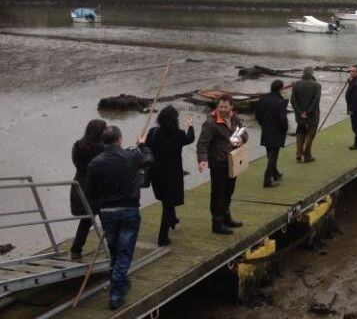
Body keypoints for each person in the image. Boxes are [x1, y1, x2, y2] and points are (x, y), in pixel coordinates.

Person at [87, 126, 147, 310]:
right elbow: (148, 160)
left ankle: (120, 282)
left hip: (107, 212)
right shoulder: (131, 156)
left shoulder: (95, 163)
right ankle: (115, 294)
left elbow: (91, 191)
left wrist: (100, 207)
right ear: (120, 139)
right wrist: (142, 146)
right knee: (124, 253)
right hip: (129, 210)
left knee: (114, 251)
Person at [197, 95, 249, 235]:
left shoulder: (235, 119)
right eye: (221, 107)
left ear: (231, 107)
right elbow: (202, 143)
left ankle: (227, 217)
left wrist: (241, 139)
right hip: (218, 164)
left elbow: (245, 134)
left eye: (226, 107)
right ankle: (217, 223)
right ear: (217, 107)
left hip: (233, 162)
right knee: (218, 194)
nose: (223, 109)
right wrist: (202, 160)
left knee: (229, 192)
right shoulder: (210, 123)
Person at [147, 105, 195, 246]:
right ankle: (162, 237)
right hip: (172, 173)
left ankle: (173, 220)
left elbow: (146, 147)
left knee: (165, 200)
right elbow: (190, 138)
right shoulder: (178, 134)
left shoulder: (153, 132)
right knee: (168, 204)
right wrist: (190, 125)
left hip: (156, 173)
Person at [70, 119, 106, 260]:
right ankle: (112, 247)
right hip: (96, 186)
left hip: (80, 184)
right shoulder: (102, 148)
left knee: (86, 220)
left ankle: (76, 249)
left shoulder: (78, 145)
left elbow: (76, 164)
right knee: (105, 217)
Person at [256, 80, 289, 187]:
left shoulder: (263, 99)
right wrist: (285, 129)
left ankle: (275, 174)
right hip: (277, 131)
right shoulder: (280, 102)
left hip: (266, 130)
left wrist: (263, 124)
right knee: (273, 156)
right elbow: (283, 119)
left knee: (270, 153)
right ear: (280, 89)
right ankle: (267, 180)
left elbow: (257, 115)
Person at [290, 67, 321, 163]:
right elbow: (316, 100)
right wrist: (307, 112)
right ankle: (307, 156)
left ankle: (299, 154)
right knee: (310, 135)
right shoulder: (316, 85)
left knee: (300, 133)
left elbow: (293, 100)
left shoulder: (296, 84)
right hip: (312, 115)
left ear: (303, 73)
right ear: (312, 73)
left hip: (300, 116)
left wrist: (300, 112)